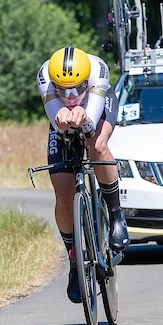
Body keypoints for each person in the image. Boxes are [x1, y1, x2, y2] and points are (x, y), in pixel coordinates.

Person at [36, 46, 130, 304]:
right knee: (63, 193)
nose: (70, 95)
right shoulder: (45, 76)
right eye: (62, 90)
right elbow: (57, 120)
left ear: (86, 80)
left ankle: (116, 215)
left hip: (97, 105)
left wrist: (83, 115)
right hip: (65, 121)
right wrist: (63, 115)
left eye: (77, 88)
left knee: (97, 145)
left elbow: (89, 121)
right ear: (53, 84)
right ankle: (74, 259)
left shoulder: (98, 70)